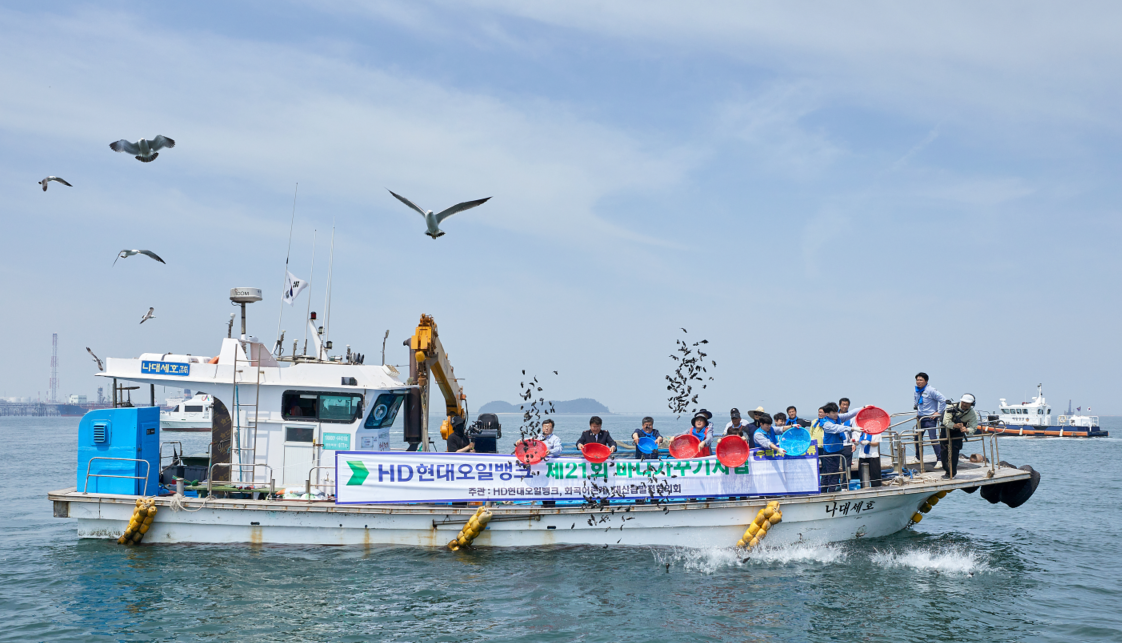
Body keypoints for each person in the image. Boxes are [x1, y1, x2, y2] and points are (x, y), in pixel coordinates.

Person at [813, 402, 860, 492]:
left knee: (828, 473)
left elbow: (849, 414)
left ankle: (826, 490)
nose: (836, 414)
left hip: (837, 450)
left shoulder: (837, 418)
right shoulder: (826, 424)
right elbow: (837, 428)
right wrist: (852, 429)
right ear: (827, 414)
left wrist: (864, 407)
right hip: (829, 451)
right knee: (832, 474)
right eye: (833, 413)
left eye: (836, 412)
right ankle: (830, 492)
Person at [940, 394, 978, 479]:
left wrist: (967, 430)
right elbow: (946, 421)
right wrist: (954, 425)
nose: (964, 404)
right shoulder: (951, 407)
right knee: (944, 451)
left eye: (967, 403)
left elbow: (973, 427)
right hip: (946, 429)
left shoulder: (973, 414)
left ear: (972, 404)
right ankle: (946, 470)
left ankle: (951, 473)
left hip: (959, 431)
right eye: (963, 402)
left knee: (955, 451)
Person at [914, 372, 948, 465]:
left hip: (930, 418)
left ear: (926, 381)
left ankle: (940, 459)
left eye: (921, 380)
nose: (918, 382)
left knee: (932, 438)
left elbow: (943, 400)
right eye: (917, 380)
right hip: (920, 418)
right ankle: (918, 457)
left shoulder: (931, 390)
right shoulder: (917, 391)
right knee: (917, 437)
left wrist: (938, 412)